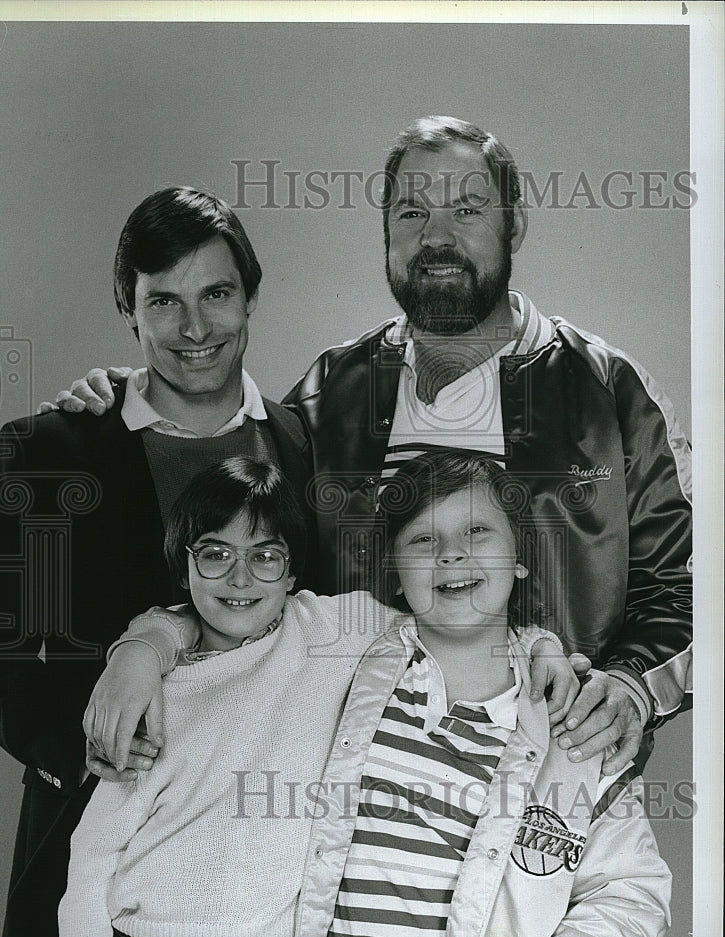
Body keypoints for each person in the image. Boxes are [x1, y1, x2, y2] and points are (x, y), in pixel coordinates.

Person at [57, 117, 692, 777]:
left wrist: (630, 685)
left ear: (515, 225)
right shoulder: (328, 395)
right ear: (385, 231)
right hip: (354, 817)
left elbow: (688, 588)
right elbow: (243, 569)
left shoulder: (607, 390)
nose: (435, 236)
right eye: (411, 212)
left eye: (467, 209)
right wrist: (131, 405)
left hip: (556, 801)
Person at [85, 451, 671, 937]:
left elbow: (631, 890)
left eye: (477, 531)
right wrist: (140, 650)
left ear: (519, 557)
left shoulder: (577, 715)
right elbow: (233, 617)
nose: (452, 554)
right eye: (422, 540)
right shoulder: (348, 649)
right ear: (394, 568)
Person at [0, 187, 316, 937]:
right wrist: (105, 759)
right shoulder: (52, 450)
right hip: (88, 857)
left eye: (216, 295)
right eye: (163, 301)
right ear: (128, 309)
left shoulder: (303, 444)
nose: (194, 331)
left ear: (251, 297)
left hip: (264, 892)